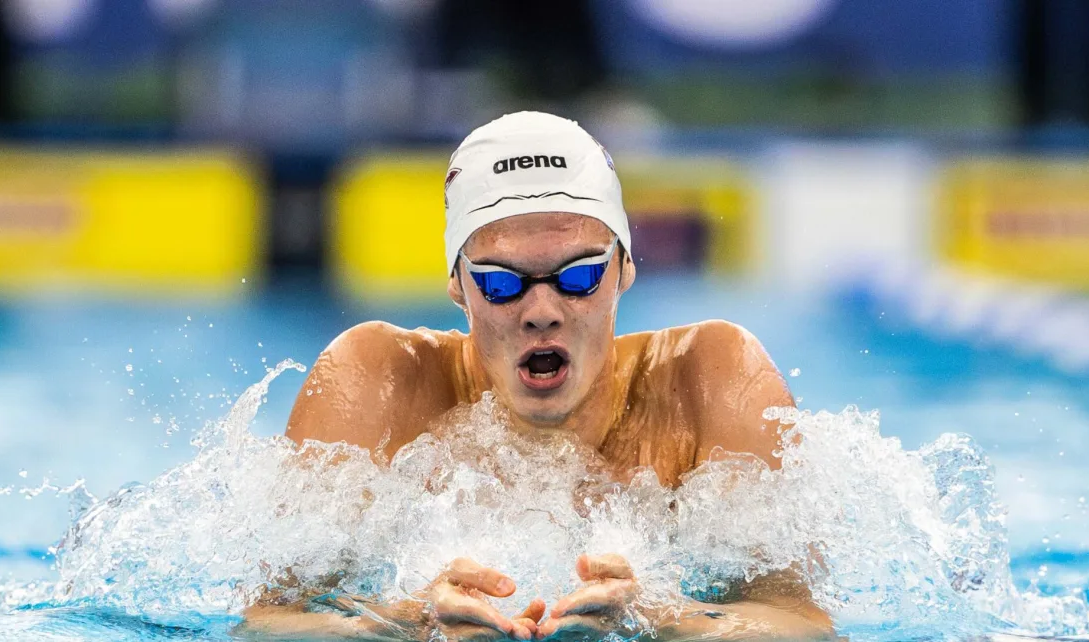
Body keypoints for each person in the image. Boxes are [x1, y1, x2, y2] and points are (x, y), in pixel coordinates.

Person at [241, 112, 834, 641]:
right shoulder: (378, 382)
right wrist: (406, 621)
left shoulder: (710, 379)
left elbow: (802, 626)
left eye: (578, 276)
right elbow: (266, 624)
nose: (542, 309)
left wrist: (660, 619)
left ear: (625, 268)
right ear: (457, 284)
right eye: (501, 282)